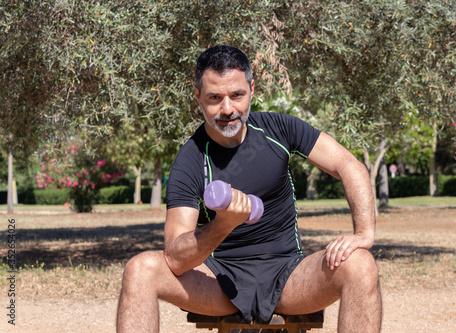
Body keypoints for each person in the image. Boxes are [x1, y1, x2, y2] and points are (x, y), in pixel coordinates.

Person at [116, 45, 382, 333]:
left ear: (252, 89)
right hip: (220, 282)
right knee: (140, 269)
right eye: (215, 98)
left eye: (237, 95)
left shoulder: (279, 129)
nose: (227, 109)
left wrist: (364, 232)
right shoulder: (190, 160)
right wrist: (224, 224)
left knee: (360, 265)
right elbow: (176, 257)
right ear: (198, 97)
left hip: (288, 275)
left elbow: (348, 164)